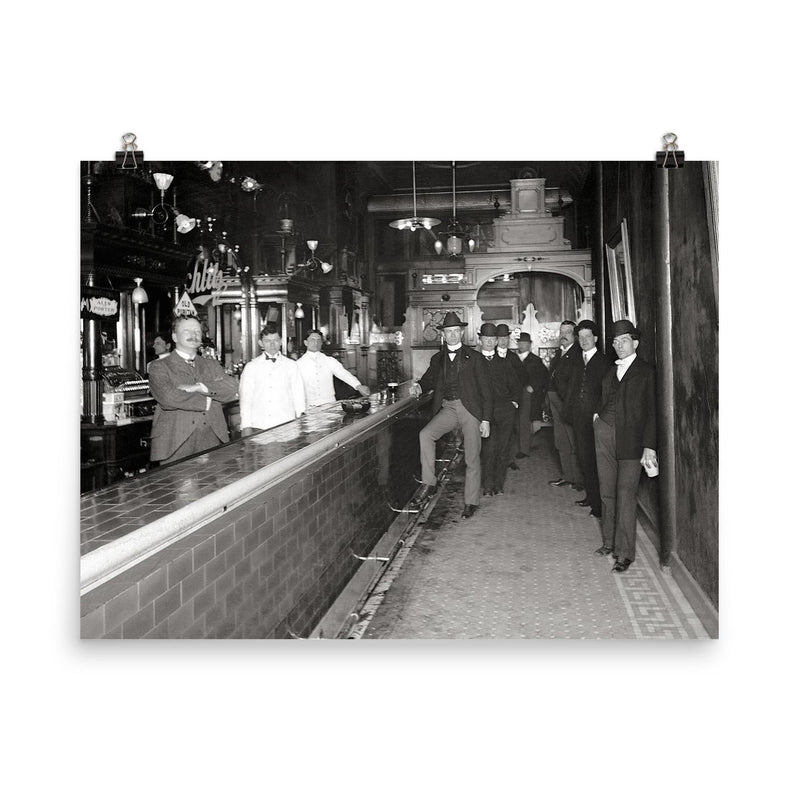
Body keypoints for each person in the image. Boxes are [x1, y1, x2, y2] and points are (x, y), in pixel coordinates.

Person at [410, 311, 493, 519]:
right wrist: (419, 386)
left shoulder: (475, 357)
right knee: (425, 435)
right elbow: (428, 379)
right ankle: (429, 483)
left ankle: (471, 502)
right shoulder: (438, 358)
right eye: (449, 332)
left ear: (462, 333)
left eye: (457, 331)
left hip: (470, 409)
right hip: (448, 407)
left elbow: (486, 390)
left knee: (472, 457)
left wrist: (486, 419)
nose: (453, 335)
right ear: (443, 335)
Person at [593, 319, 658, 573]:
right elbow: (604, 399)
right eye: (616, 342)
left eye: (624, 341)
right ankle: (609, 542)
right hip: (605, 435)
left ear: (635, 343)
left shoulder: (646, 371)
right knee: (607, 491)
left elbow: (653, 412)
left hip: (632, 441)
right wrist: (598, 419)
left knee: (625, 494)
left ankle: (625, 553)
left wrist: (649, 446)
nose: (619, 346)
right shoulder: (611, 371)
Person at [148, 315, 239, 465]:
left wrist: (200, 387)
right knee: (177, 486)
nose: (194, 335)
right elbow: (168, 398)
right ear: (175, 337)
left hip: (212, 439)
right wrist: (209, 399)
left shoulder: (212, 364)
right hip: (175, 442)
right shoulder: (159, 366)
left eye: (197, 331)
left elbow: (231, 387)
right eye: (187, 331)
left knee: (213, 487)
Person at [564, 320, 612, 519]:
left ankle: (601, 505)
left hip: (597, 421)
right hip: (578, 418)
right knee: (585, 459)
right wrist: (570, 407)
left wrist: (599, 413)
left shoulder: (604, 362)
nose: (583, 340)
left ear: (595, 339)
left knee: (598, 461)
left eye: (587, 337)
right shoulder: (575, 360)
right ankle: (591, 498)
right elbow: (568, 384)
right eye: (580, 337)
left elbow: (608, 393)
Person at [478, 323, 521, 496]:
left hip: (504, 412)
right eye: (485, 338)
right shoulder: (474, 362)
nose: (489, 342)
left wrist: (514, 403)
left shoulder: (504, 363)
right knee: (488, 449)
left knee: (503, 449)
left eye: (492, 339)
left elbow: (516, 386)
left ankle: (498, 484)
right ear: (480, 340)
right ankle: (488, 485)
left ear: (497, 341)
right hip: (484, 414)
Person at [239, 327, 306, 434]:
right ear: (261, 343)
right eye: (267, 341)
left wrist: (301, 420)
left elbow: (299, 395)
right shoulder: (251, 367)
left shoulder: (291, 365)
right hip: (259, 424)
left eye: (275, 340)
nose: (272, 344)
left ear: (280, 342)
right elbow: (246, 399)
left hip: (286, 424)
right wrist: (245, 425)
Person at [546, 320, 584, 491]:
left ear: (575, 336)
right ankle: (567, 476)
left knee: (572, 439)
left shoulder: (577, 354)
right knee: (560, 440)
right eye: (562, 332)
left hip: (566, 402)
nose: (563, 335)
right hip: (555, 400)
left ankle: (578, 479)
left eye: (568, 332)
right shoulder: (560, 353)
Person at [297, 329, 370, 408]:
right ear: (306, 343)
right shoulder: (298, 364)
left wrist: (358, 386)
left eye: (319, 340)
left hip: (329, 403)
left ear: (321, 343)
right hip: (309, 405)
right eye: (312, 340)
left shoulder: (329, 360)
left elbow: (343, 374)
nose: (316, 343)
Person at [510, 332, 550, 459]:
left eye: (524, 343)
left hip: (526, 396)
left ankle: (524, 449)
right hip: (514, 394)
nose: (521, 345)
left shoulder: (535, 360)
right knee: (515, 422)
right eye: (520, 342)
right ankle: (518, 446)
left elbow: (544, 377)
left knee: (524, 421)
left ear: (530, 344)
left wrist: (533, 387)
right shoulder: (514, 358)